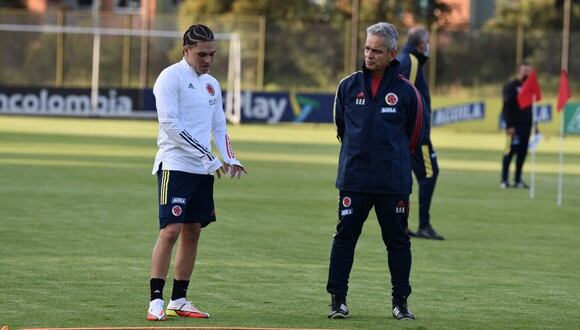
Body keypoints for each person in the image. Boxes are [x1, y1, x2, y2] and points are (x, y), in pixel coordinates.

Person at [147, 24, 246, 321]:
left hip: (203, 169)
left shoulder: (212, 84)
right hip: (175, 165)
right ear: (186, 51)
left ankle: (179, 298)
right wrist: (208, 156)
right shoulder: (170, 78)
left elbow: (219, 125)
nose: (208, 60)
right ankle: (155, 300)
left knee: (193, 231)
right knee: (170, 231)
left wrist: (229, 156)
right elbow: (171, 126)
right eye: (202, 54)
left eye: (212, 54)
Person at [327, 22, 424, 321]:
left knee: (397, 242)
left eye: (377, 51)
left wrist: (389, 158)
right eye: (367, 48)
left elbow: (414, 134)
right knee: (344, 238)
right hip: (354, 180)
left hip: (392, 182)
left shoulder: (407, 92)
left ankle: (400, 303)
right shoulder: (348, 86)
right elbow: (342, 129)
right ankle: (338, 301)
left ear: (392, 53)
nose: (369, 55)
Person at [397, 27, 444, 240]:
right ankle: (423, 225)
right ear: (421, 44)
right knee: (429, 174)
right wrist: (415, 130)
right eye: (428, 42)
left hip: (409, 134)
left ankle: (401, 225)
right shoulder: (412, 62)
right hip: (416, 135)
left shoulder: (407, 59)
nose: (429, 46)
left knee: (404, 177)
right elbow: (404, 94)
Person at [501, 63, 533, 189]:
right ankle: (504, 179)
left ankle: (518, 180)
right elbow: (507, 107)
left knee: (522, 153)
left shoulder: (529, 88)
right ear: (519, 71)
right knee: (510, 152)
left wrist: (534, 124)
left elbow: (530, 108)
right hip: (514, 126)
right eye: (525, 71)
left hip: (526, 126)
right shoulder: (510, 86)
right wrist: (509, 125)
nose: (527, 73)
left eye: (529, 71)